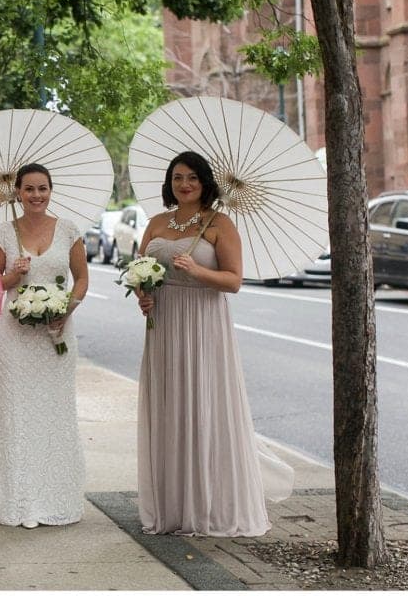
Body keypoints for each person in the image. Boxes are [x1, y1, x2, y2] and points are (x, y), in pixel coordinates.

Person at [135, 152, 293, 536]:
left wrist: (199, 270)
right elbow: (140, 270)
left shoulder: (220, 223)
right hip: (164, 322)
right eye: (177, 178)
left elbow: (234, 281)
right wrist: (143, 293)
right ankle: (172, 505)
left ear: (205, 182)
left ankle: (207, 505)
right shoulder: (156, 222)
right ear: (169, 183)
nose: (184, 184)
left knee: (202, 402)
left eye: (191, 177)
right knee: (169, 405)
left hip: (203, 322)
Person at [0, 163, 88, 528]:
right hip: (17, 339)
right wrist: (12, 275)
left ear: (50, 190)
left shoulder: (69, 231)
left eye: (42, 188)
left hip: (57, 336)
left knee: (56, 413)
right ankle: (23, 502)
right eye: (29, 189)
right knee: (19, 414)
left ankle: (56, 498)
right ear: (17, 192)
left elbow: (82, 280)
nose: (36, 196)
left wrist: (66, 309)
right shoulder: (4, 233)